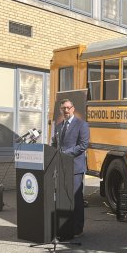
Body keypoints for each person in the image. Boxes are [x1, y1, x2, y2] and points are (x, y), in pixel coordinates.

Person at [51, 98, 90, 237]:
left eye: (68, 108)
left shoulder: (82, 125)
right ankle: (65, 226)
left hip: (75, 168)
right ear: (61, 110)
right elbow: (54, 143)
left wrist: (65, 153)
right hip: (61, 167)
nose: (66, 110)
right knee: (64, 198)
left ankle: (78, 228)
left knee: (76, 198)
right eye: (63, 108)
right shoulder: (58, 125)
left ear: (73, 108)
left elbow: (83, 145)